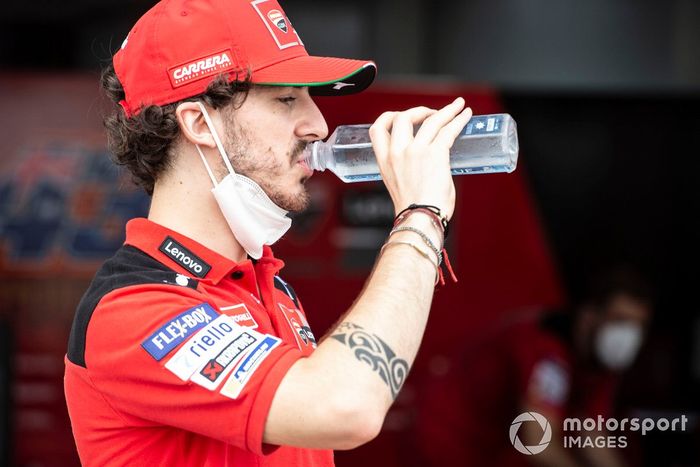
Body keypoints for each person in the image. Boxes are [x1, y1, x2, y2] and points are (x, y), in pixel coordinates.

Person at [63, 0, 472, 466]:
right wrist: (420, 215)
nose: (318, 125)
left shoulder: (269, 287)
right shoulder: (131, 311)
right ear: (199, 123)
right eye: (286, 98)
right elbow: (346, 406)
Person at [414, 267, 653, 467]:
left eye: (638, 325)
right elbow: (537, 441)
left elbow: (589, 433)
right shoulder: (544, 350)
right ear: (590, 316)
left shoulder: (600, 365)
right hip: (449, 438)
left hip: (495, 447)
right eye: (620, 320)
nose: (628, 334)